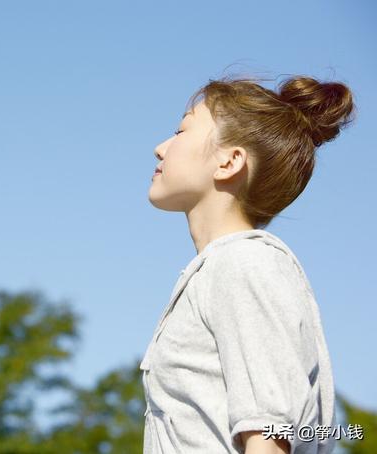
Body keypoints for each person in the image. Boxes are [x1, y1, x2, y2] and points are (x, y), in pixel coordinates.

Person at [142, 74, 356, 453]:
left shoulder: (244, 263)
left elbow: (269, 437)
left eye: (181, 131)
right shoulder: (226, 268)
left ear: (229, 161)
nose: (161, 148)